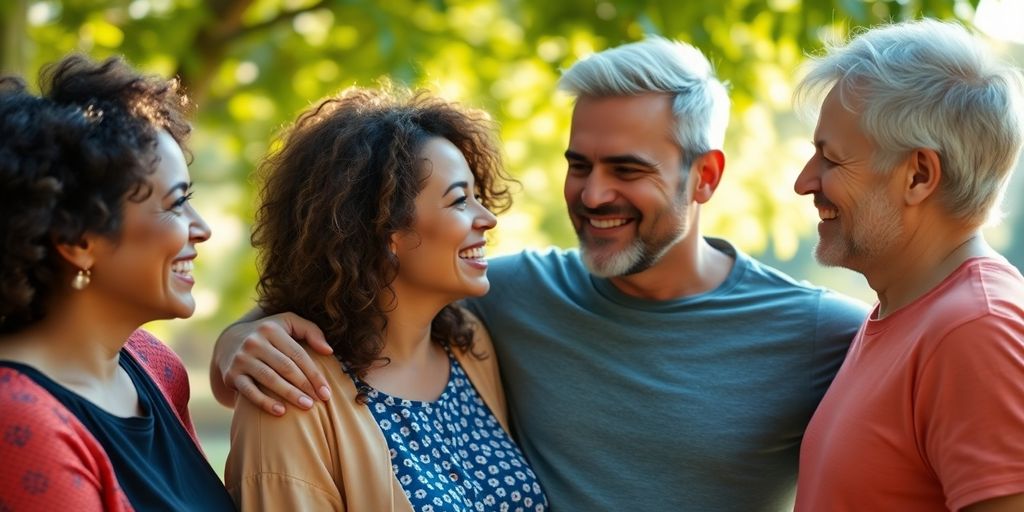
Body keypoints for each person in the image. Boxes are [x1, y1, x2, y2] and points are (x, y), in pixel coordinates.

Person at [213, 38, 868, 510]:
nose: (591, 194)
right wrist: (239, 338)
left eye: (627, 170)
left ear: (705, 177)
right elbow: (348, 282)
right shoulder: (510, 298)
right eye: (579, 165)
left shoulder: (822, 332)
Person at [222, 86, 548, 511]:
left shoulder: (470, 344)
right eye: (459, 201)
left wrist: (230, 338)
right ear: (385, 233)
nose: (487, 219)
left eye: (478, 196)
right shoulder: (291, 393)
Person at [792, 19, 1024, 511]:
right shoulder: (910, 311)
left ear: (918, 175)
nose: (804, 182)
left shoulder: (975, 331)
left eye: (831, 160)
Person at [0, 55, 232, 510]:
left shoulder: (153, 364)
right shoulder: (18, 418)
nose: (201, 227)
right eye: (176, 203)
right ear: (77, 239)